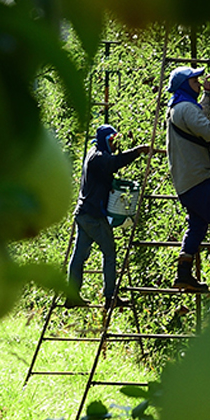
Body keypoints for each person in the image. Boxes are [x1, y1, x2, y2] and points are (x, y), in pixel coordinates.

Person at [66, 124, 152, 308]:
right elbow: (113, 163)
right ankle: (110, 297)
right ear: (105, 140)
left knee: (79, 255)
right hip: (93, 215)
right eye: (112, 141)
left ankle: (72, 296)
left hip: (84, 213)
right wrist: (137, 151)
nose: (114, 145)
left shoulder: (93, 153)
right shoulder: (98, 157)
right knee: (110, 253)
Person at [165, 65, 210, 293]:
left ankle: (183, 274)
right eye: (195, 81)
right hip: (198, 178)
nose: (198, 83)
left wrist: (207, 93)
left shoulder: (178, 107)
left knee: (197, 225)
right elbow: (209, 131)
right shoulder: (185, 108)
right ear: (185, 84)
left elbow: (199, 117)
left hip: (185, 182)